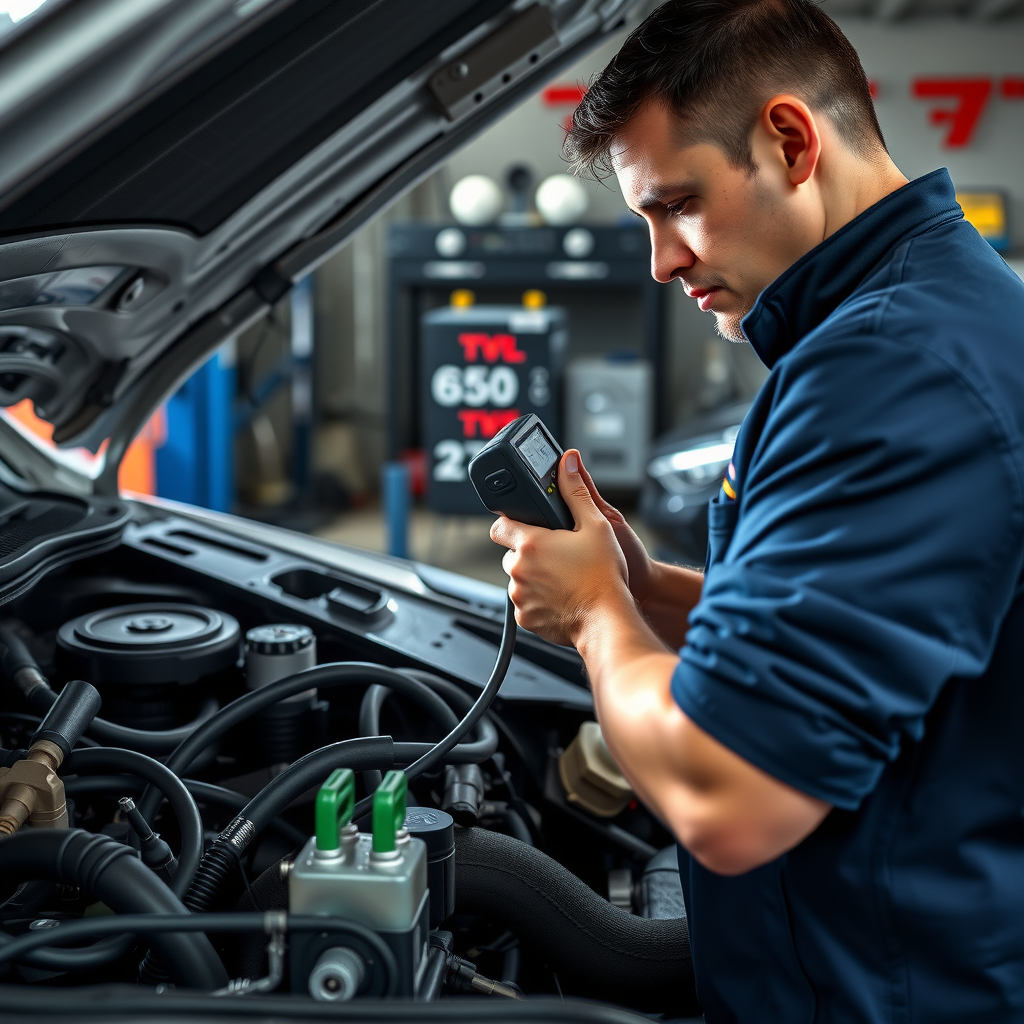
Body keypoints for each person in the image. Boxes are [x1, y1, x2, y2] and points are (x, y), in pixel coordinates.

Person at [488, 1, 1024, 1021]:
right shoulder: (922, 317)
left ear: (789, 141)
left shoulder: (889, 371)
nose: (662, 263)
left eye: (677, 204)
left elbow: (724, 796)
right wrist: (648, 592)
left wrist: (599, 619)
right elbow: (860, 636)